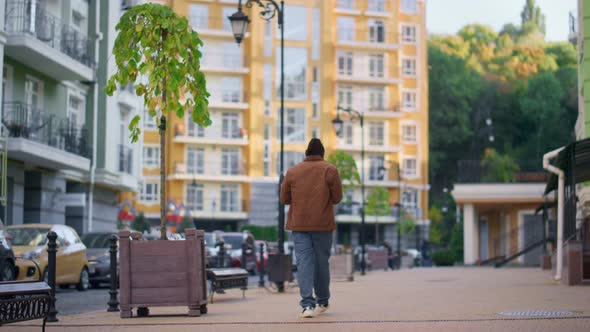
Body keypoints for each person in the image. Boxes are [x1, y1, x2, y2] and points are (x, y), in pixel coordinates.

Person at [280, 138, 343, 318]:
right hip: (323, 225)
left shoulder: (292, 172)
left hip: (299, 225)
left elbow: (284, 199)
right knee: (321, 263)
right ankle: (322, 301)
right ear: (322, 154)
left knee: (304, 263)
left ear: (306, 154)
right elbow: (337, 198)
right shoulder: (330, 169)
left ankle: (307, 304)